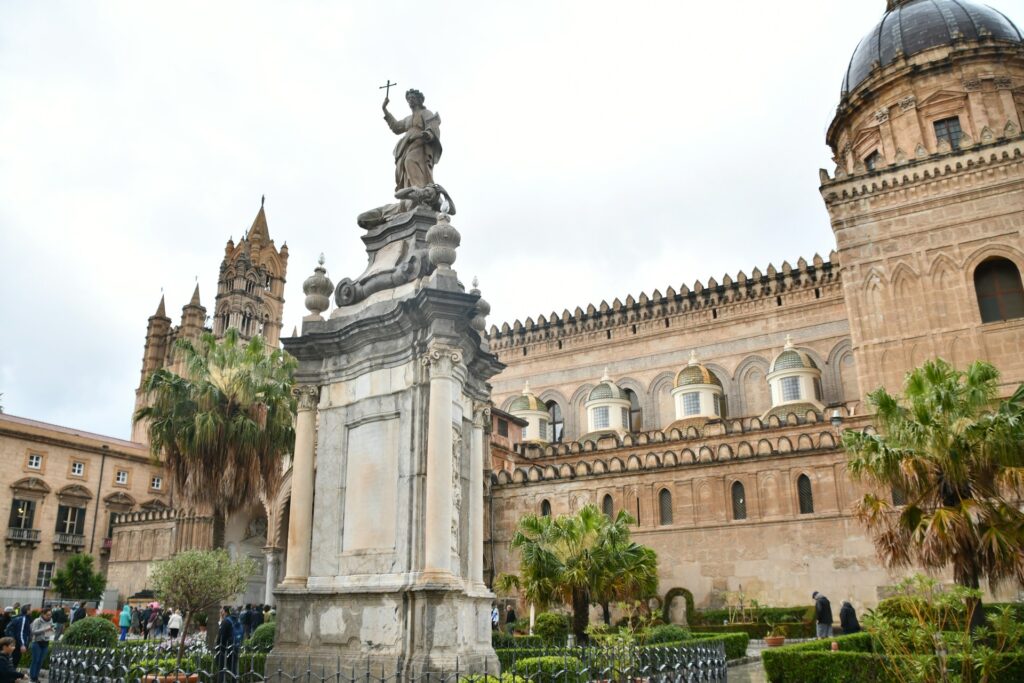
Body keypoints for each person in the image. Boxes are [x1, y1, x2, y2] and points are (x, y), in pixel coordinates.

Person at [382, 88, 442, 191]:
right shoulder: (408, 119)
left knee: (410, 162)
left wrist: (428, 134)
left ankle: (420, 191)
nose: (410, 100)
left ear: (419, 100)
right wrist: (385, 109)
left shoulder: (425, 113)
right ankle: (411, 191)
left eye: (413, 98)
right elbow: (396, 127)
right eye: (408, 98)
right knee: (405, 167)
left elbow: (432, 126)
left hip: (420, 144)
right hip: (407, 146)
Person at [28, 607, 53, 683]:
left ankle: (36, 677)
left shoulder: (51, 620)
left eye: (50, 615)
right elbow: (33, 631)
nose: (49, 616)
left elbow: (49, 630)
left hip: (46, 642)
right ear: (43, 614)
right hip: (37, 642)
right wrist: (44, 629)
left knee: (40, 661)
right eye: (48, 615)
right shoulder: (37, 620)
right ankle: (32, 678)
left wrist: (51, 630)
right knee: (35, 660)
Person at [215, 607, 240, 683]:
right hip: (235, 646)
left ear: (226, 612)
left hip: (225, 648)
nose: (221, 612)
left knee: (221, 668)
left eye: (222, 611)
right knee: (233, 667)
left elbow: (221, 636)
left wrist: (217, 647)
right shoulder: (235, 620)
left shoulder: (226, 621)